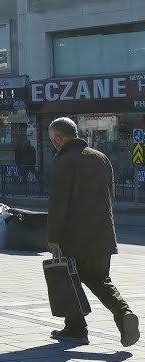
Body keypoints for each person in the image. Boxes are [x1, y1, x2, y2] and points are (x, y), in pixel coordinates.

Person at [47, 117, 138, 347]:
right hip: (102, 234)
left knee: (68, 279)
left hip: (73, 236)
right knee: (99, 279)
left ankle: (76, 329)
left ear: (58, 138)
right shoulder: (100, 158)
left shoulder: (63, 161)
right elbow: (111, 195)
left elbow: (59, 203)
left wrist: (53, 238)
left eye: (53, 140)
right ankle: (123, 312)